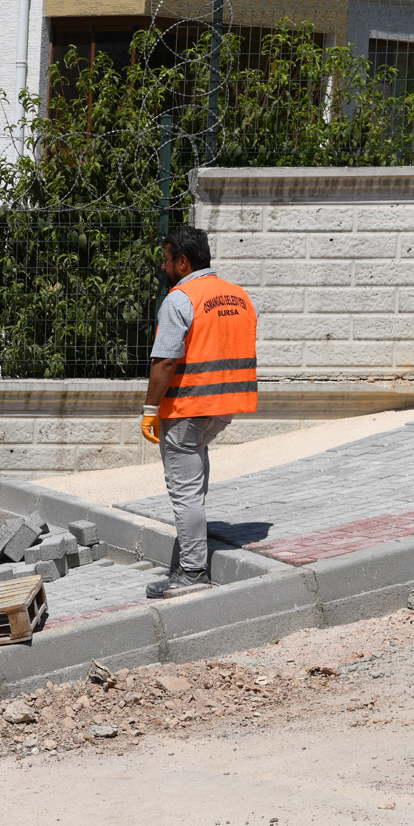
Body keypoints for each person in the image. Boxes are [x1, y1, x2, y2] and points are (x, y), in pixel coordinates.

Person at [142, 224, 258, 600]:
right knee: (195, 473)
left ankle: (192, 574)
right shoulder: (238, 296)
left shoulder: (180, 299)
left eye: (166, 260)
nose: (163, 267)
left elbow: (164, 363)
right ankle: (190, 559)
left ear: (183, 261)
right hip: (226, 407)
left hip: (188, 406)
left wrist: (149, 409)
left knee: (185, 491)